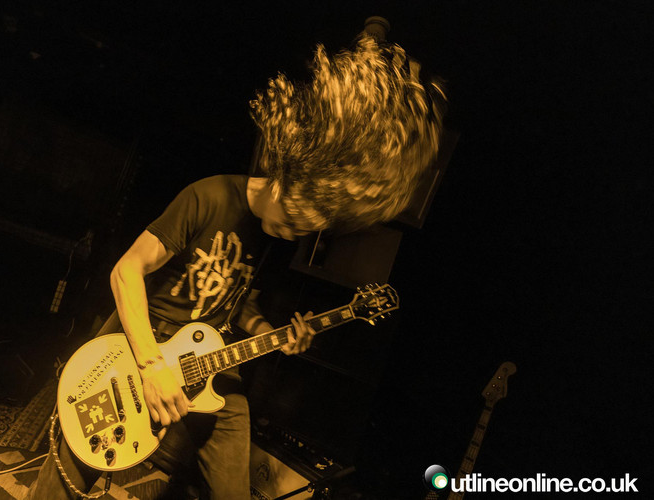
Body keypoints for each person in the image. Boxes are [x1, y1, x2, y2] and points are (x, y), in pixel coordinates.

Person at [27, 33, 446, 499]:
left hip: (209, 359)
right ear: (282, 180)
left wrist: (272, 331)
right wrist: (151, 365)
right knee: (72, 466)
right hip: (140, 342)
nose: (291, 235)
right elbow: (126, 271)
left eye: (303, 231)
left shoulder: (276, 235)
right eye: (292, 221)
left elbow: (239, 300)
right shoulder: (209, 196)